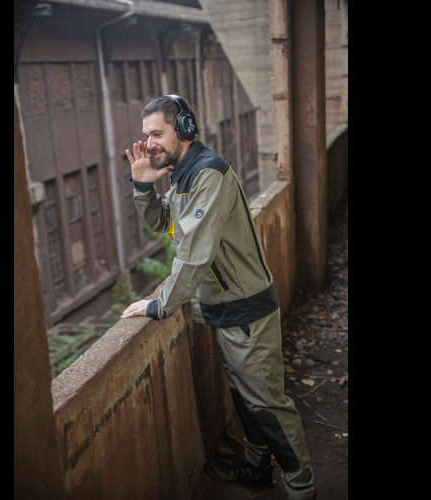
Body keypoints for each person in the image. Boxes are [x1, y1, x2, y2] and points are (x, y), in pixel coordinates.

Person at [122, 95, 316, 500]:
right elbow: (163, 222)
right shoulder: (182, 175)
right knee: (246, 400)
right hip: (225, 310)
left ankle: (303, 489)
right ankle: (257, 467)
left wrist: (160, 304)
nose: (149, 144)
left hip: (246, 312)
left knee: (269, 407)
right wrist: (142, 185)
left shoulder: (207, 174)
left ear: (185, 129)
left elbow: (195, 255)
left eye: (157, 134)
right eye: (145, 136)